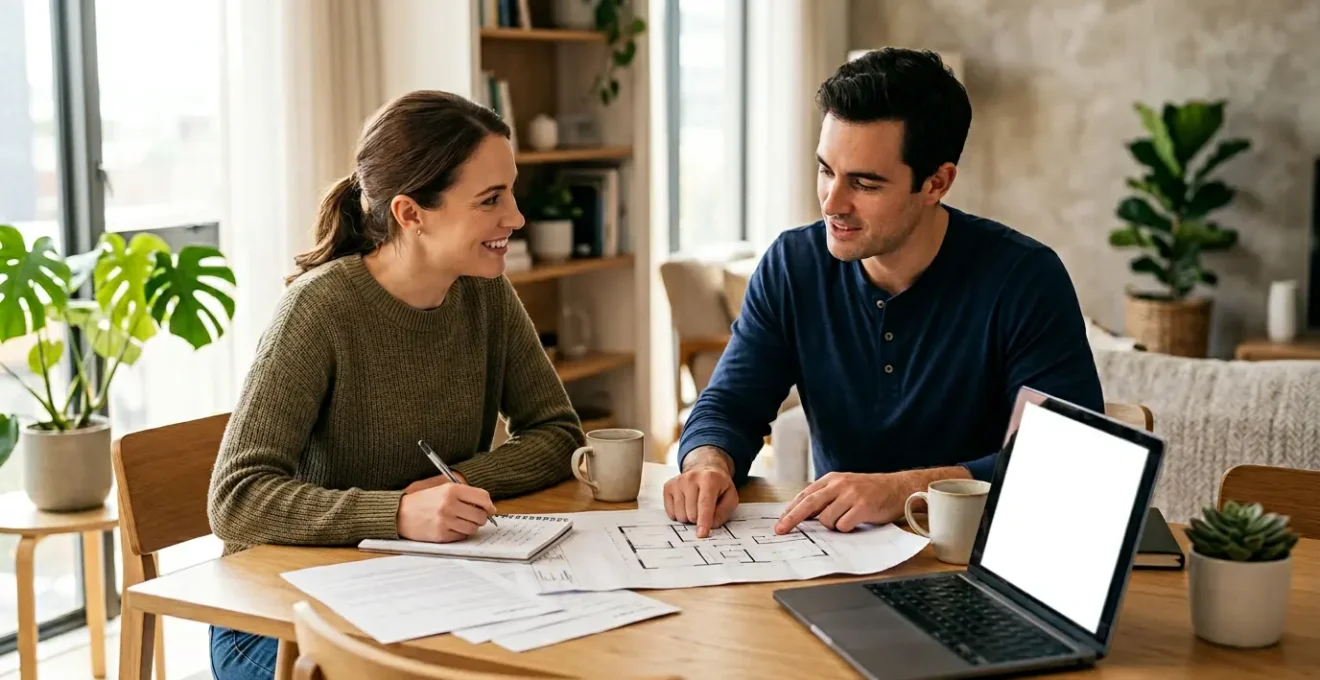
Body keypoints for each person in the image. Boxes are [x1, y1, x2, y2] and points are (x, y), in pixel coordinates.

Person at [204, 90, 584, 680]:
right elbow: (236, 500)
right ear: (411, 213)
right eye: (490, 199)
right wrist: (398, 513)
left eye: (510, 191)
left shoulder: (484, 292)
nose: (516, 217)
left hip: (422, 590)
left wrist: (453, 486)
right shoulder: (318, 311)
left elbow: (558, 433)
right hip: (281, 622)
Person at [664, 48, 1103, 539]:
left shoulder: (1025, 279)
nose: (832, 203)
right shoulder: (793, 266)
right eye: (826, 170)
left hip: (982, 557)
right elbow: (727, 406)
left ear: (937, 182)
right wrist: (709, 463)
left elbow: (1069, 456)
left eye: (864, 184)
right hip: (835, 555)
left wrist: (905, 490)